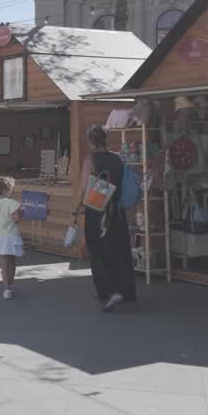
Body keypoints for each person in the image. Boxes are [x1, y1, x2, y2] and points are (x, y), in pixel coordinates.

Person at [71, 125, 136, 312]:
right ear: (105, 140)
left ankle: (107, 292)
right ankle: (124, 290)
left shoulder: (90, 160)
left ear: (91, 141)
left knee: (98, 251)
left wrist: (74, 212)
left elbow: (83, 188)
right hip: (117, 211)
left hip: (97, 210)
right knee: (119, 250)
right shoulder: (117, 158)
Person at [0, 176, 24, 300]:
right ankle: (11, 285)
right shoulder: (11, 203)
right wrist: (21, 211)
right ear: (7, 190)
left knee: (3, 263)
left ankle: (6, 287)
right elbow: (16, 218)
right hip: (11, 236)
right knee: (12, 261)